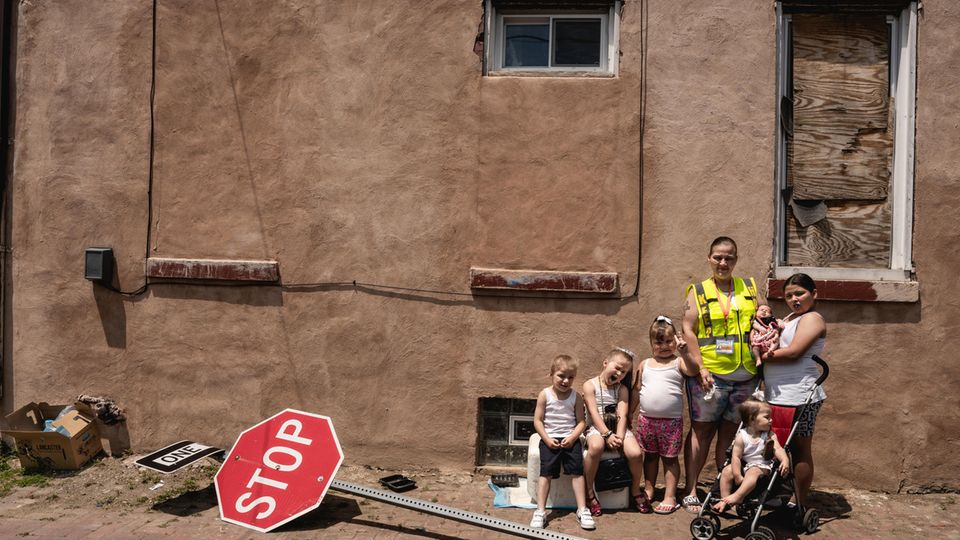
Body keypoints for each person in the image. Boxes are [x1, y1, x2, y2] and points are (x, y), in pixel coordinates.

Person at [681, 236, 765, 512]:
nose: (723, 262)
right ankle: (691, 489)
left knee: (730, 434)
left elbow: (764, 319)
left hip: (746, 376)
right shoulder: (699, 290)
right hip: (711, 376)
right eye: (718, 257)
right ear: (709, 258)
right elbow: (689, 329)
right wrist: (701, 367)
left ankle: (721, 488)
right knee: (702, 431)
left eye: (729, 257)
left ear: (736, 259)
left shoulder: (749, 287)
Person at [761, 273, 826, 508]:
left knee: (799, 450)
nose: (794, 299)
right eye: (789, 295)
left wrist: (761, 356)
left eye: (800, 293)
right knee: (775, 447)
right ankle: (779, 495)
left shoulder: (813, 318)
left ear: (814, 293)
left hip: (801, 395)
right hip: (777, 395)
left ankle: (800, 504)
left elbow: (794, 352)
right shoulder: (789, 318)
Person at [629, 316, 698, 515]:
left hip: (671, 423)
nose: (665, 346)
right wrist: (630, 414)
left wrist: (685, 353)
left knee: (670, 459)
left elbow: (693, 371)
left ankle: (670, 495)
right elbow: (636, 390)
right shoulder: (645, 364)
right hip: (646, 420)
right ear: (651, 344)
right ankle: (649, 489)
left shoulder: (679, 363)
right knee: (649, 457)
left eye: (669, 341)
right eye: (659, 342)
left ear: (675, 341)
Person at [530, 355, 595, 531]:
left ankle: (582, 509)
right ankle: (540, 510)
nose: (566, 381)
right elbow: (537, 420)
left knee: (577, 473)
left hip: (570, 439)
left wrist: (573, 438)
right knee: (546, 473)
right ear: (551, 374)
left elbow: (581, 422)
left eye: (571, 377)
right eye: (561, 376)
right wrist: (547, 439)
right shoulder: (545, 395)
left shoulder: (576, 396)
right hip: (549, 439)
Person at [583, 348, 645, 516]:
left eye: (624, 372)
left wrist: (618, 436)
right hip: (597, 427)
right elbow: (594, 413)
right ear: (605, 363)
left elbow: (623, 414)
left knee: (635, 453)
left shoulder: (622, 390)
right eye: (617, 368)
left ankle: (635, 490)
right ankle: (589, 492)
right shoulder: (590, 385)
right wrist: (606, 435)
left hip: (618, 428)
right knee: (595, 447)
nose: (619, 373)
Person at [711, 398, 789, 513]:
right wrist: (737, 475)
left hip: (763, 466)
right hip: (745, 464)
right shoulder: (741, 436)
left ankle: (738, 496)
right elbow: (736, 457)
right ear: (752, 420)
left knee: (753, 471)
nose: (771, 420)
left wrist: (785, 459)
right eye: (767, 417)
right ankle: (725, 500)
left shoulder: (769, 435)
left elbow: (777, 448)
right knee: (727, 470)